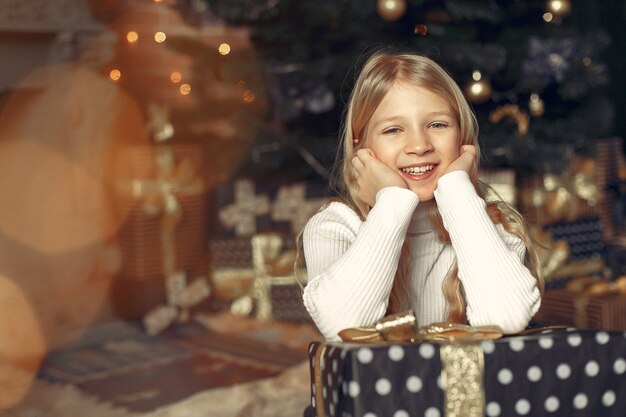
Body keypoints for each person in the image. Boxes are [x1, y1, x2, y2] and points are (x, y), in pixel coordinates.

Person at [300, 50, 544, 341]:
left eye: (437, 125)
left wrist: (456, 189)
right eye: (393, 130)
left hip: (468, 386)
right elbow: (343, 327)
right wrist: (391, 201)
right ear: (362, 146)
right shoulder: (335, 226)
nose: (419, 145)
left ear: (461, 137)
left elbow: (506, 318)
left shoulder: (488, 224)